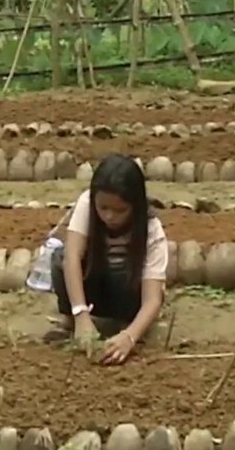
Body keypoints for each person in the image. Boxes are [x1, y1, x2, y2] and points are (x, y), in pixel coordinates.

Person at [47, 154, 168, 365]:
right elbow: (72, 258)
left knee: (124, 268)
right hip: (95, 288)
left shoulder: (151, 228)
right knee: (60, 257)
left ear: (136, 206)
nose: (110, 217)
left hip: (125, 295)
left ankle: (123, 325)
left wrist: (130, 337)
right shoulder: (86, 203)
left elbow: (153, 299)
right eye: (103, 208)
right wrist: (81, 314)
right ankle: (73, 322)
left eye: (120, 210)